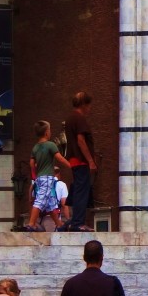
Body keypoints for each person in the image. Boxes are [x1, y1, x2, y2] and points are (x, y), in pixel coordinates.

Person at [25, 120, 72, 231]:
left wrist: (35, 174)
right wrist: (71, 166)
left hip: (39, 178)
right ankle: (31, 223)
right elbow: (59, 158)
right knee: (40, 200)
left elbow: (31, 163)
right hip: (47, 177)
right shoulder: (51, 145)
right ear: (47, 133)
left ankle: (59, 224)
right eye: (49, 130)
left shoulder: (35, 147)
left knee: (50, 203)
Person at [63, 92, 97, 232]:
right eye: (88, 105)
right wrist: (91, 161)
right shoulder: (79, 118)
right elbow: (81, 141)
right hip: (81, 160)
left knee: (78, 190)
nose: (89, 108)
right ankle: (78, 223)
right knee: (82, 191)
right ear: (83, 104)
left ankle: (74, 221)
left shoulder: (70, 118)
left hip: (73, 160)